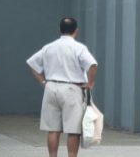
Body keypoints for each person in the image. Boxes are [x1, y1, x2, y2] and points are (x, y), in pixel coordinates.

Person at [26, 17, 98, 157]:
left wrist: (43, 82)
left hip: (51, 88)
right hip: (72, 89)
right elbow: (93, 65)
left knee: (53, 129)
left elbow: (32, 64)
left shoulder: (49, 47)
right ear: (76, 31)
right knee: (73, 130)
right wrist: (89, 83)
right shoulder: (78, 48)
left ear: (60, 30)